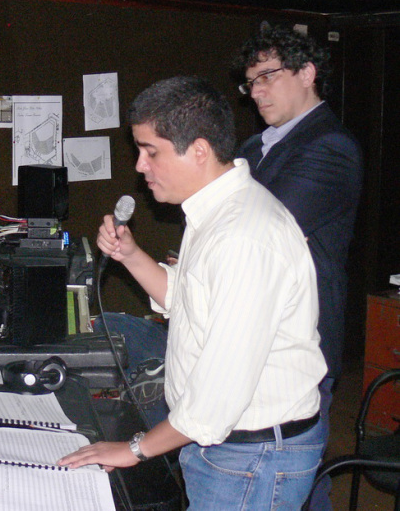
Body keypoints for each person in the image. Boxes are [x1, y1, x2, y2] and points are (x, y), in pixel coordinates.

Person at [59, 76, 327, 509]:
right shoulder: (216, 212)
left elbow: (215, 401)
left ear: (199, 150)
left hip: (252, 455)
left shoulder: (243, 236)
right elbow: (186, 301)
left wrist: (133, 450)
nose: (140, 166)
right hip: (230, 447)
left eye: (151, 151)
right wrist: (131, 255)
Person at [234, 23, 363, 509]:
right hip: (255, 328)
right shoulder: (253, 147)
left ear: (307, 73)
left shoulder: (330, 146)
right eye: (251, 82)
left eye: (268, 76)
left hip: (300, 339)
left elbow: (261, 232)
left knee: (299, 480)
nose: (257, 91)